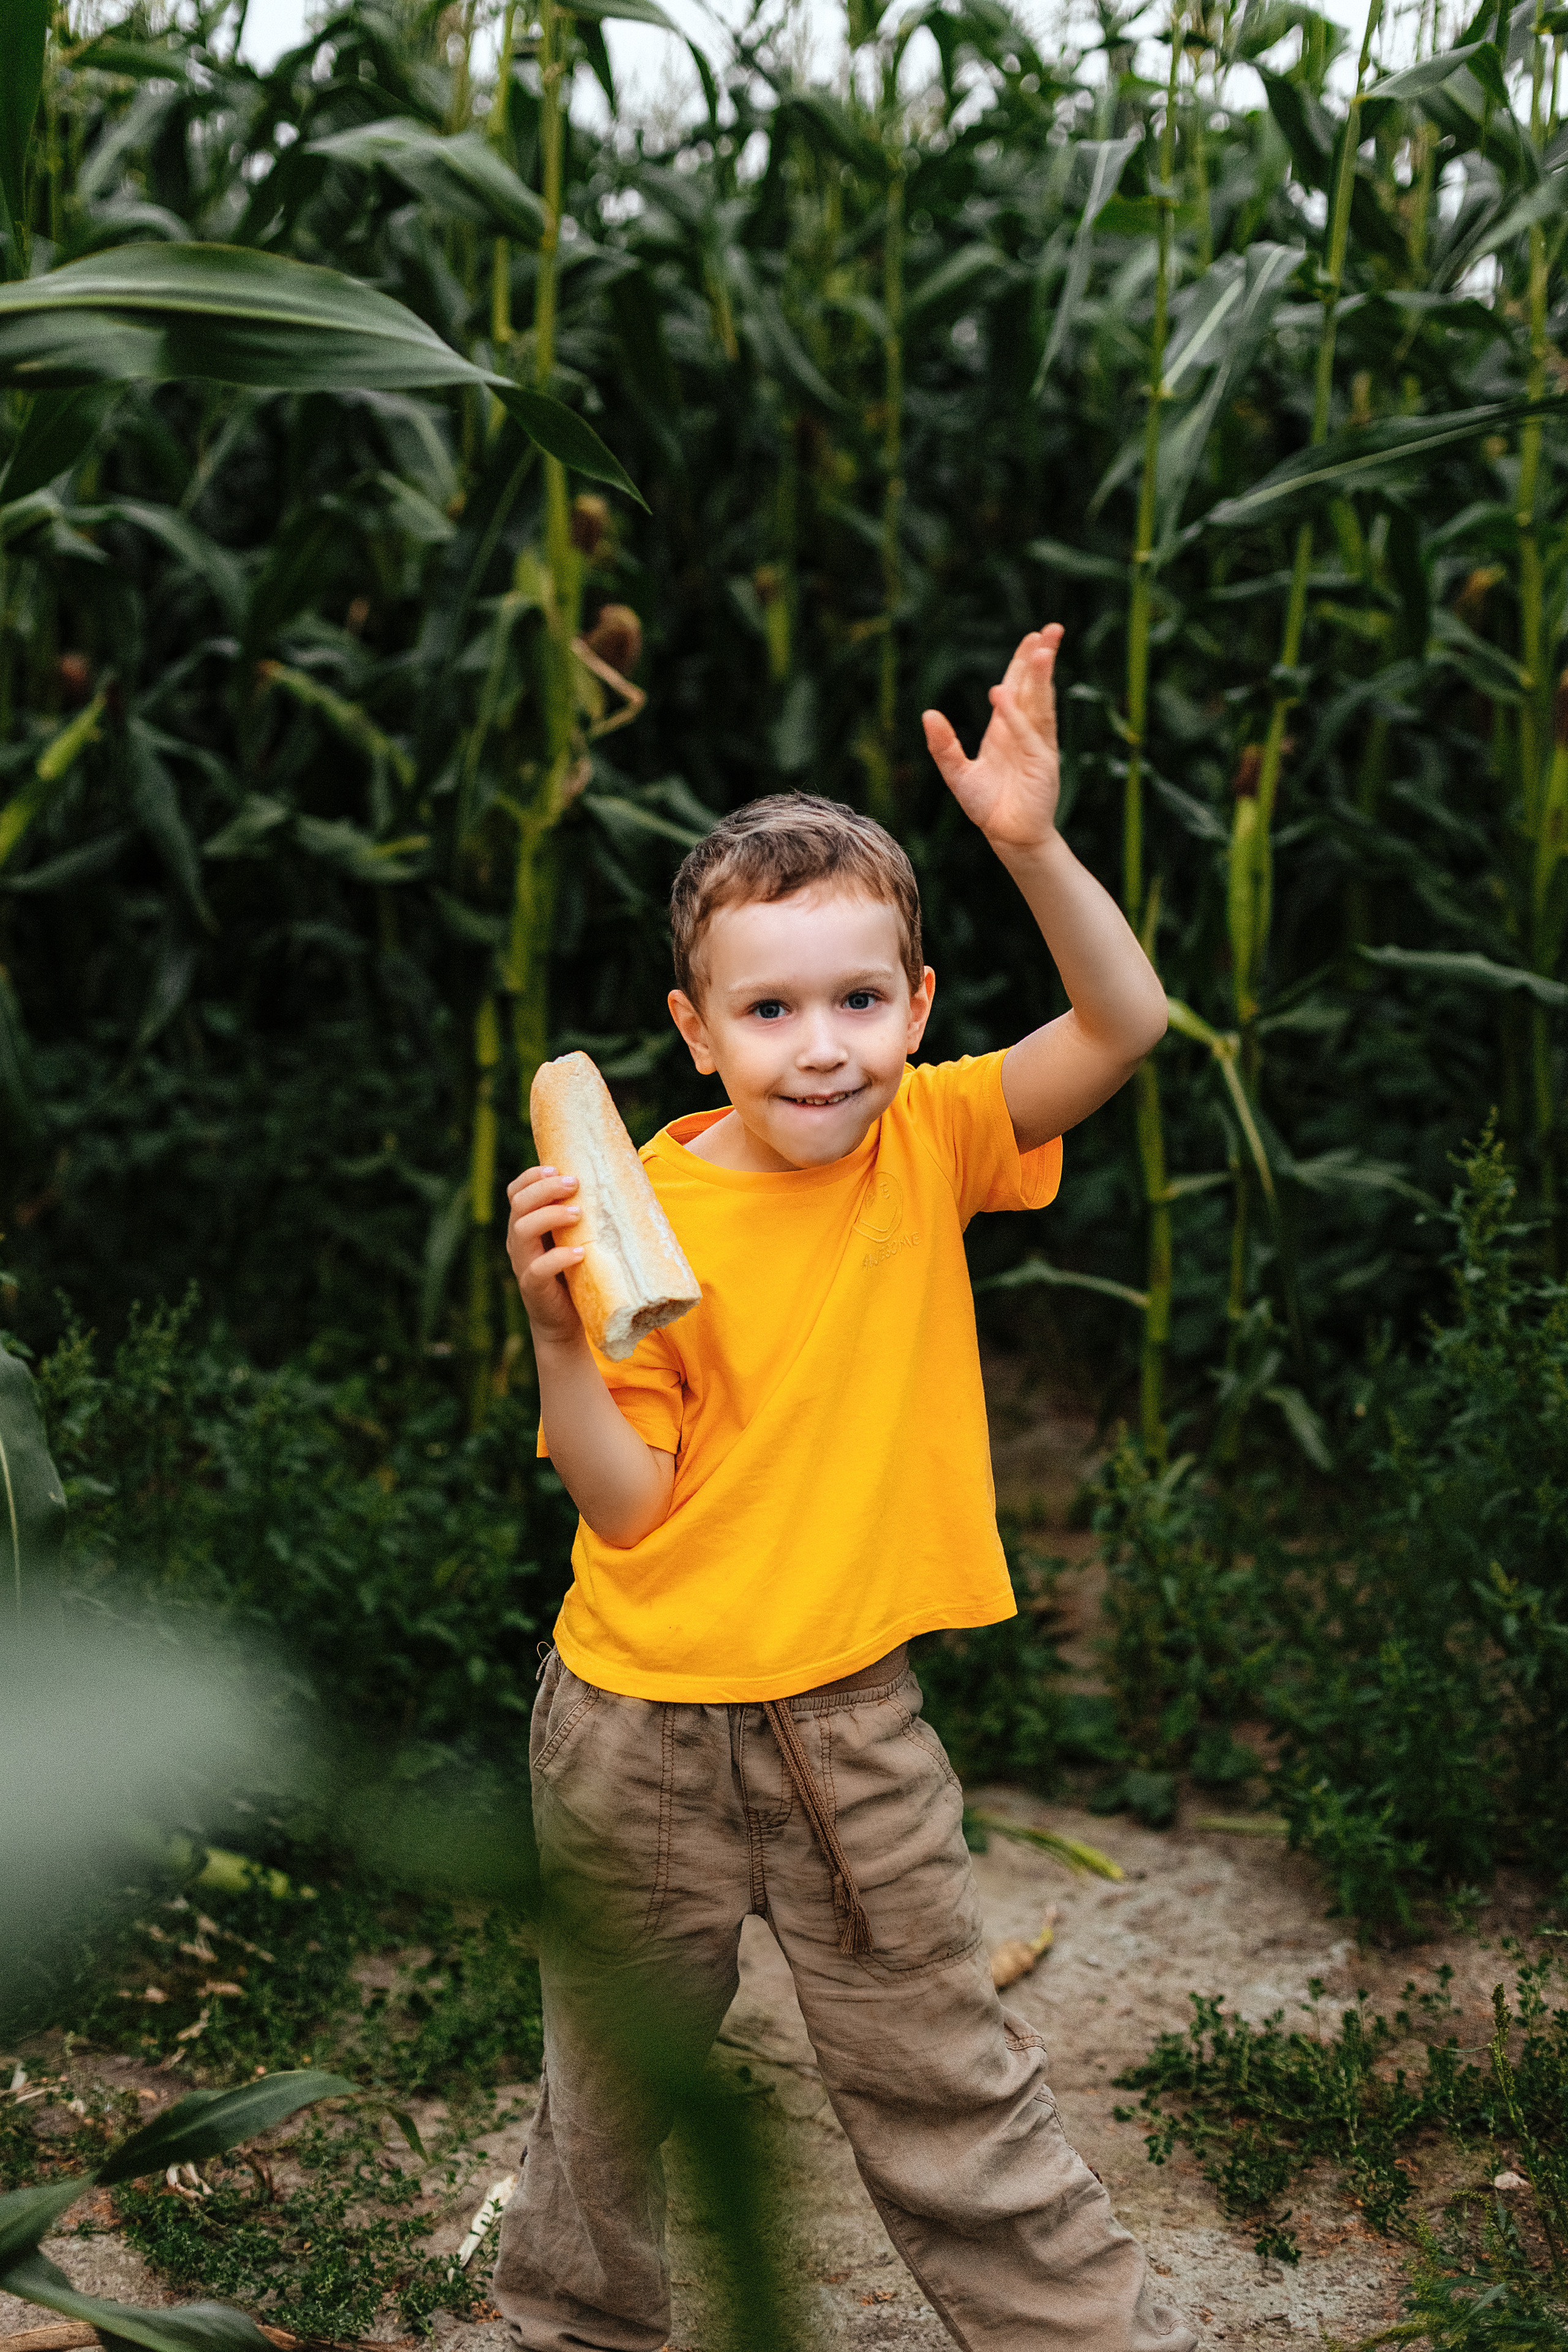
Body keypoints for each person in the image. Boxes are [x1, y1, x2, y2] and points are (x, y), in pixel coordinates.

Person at [494, 625, 1192, 2352]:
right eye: (771, 1009)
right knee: (606, 2113)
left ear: (919, 1008)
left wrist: (1030, 842)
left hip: (854, 1731)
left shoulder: (935, 1138)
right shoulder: (646, 1216)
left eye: (861, 1002)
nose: (823, 1049)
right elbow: (628, 1508)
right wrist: (560, 1333)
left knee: (950, 2084)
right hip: (637, 1736)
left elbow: (1128, 1022)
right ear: (697, 1031)